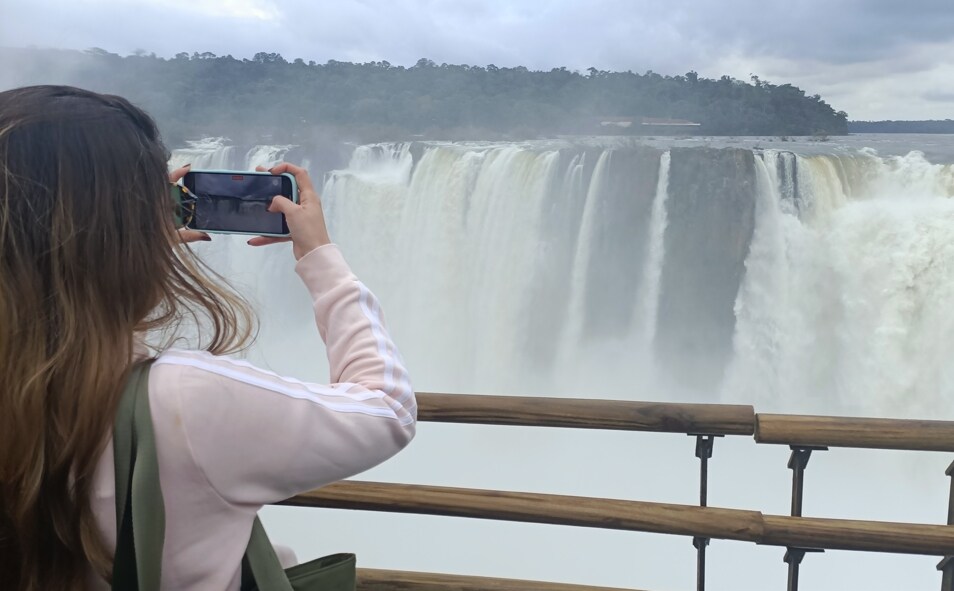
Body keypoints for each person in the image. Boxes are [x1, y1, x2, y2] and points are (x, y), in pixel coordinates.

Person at [0, 85, 416, 590]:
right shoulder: (182, 402)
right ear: (130, 237)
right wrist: (321, 258)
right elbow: (387, 409)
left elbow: (52, 335)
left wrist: (135, 243)